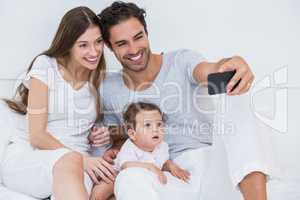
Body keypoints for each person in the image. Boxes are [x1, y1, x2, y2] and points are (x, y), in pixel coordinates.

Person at [89, 1, 276, 200]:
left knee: (238, 96)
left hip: (210, 167)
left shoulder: (181, 61)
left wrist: (230, 64)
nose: (134, 49)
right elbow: (121, 138)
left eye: (138, 37)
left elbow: (210, 72)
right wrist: (109, 141)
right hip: (166, 176)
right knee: (128, 177)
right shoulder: (108, 87)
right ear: (109, 46)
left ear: (147, 32)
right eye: (122, 43)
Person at [1, 6, 115, 200]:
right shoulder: (46, 66)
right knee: (70, 162)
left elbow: (88, 127)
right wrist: (82, 160)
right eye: (83, 45)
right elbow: (37, 136)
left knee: (114, 174)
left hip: (79, 164)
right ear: (68, 44)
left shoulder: (98, 79)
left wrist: (102, 133)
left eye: (98, 42)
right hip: (34, 157)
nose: (94, 51)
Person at [90, 102, 190, 200]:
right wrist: (150, 167)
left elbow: (163, 161)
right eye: (148, 125)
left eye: (159, 124)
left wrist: (172, 166)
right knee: (99, 193)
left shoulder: (162, 146)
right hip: (115, 175)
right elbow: (125, 166)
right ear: (133, 134)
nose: (155, 129)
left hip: (140, 181)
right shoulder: (130, 146)